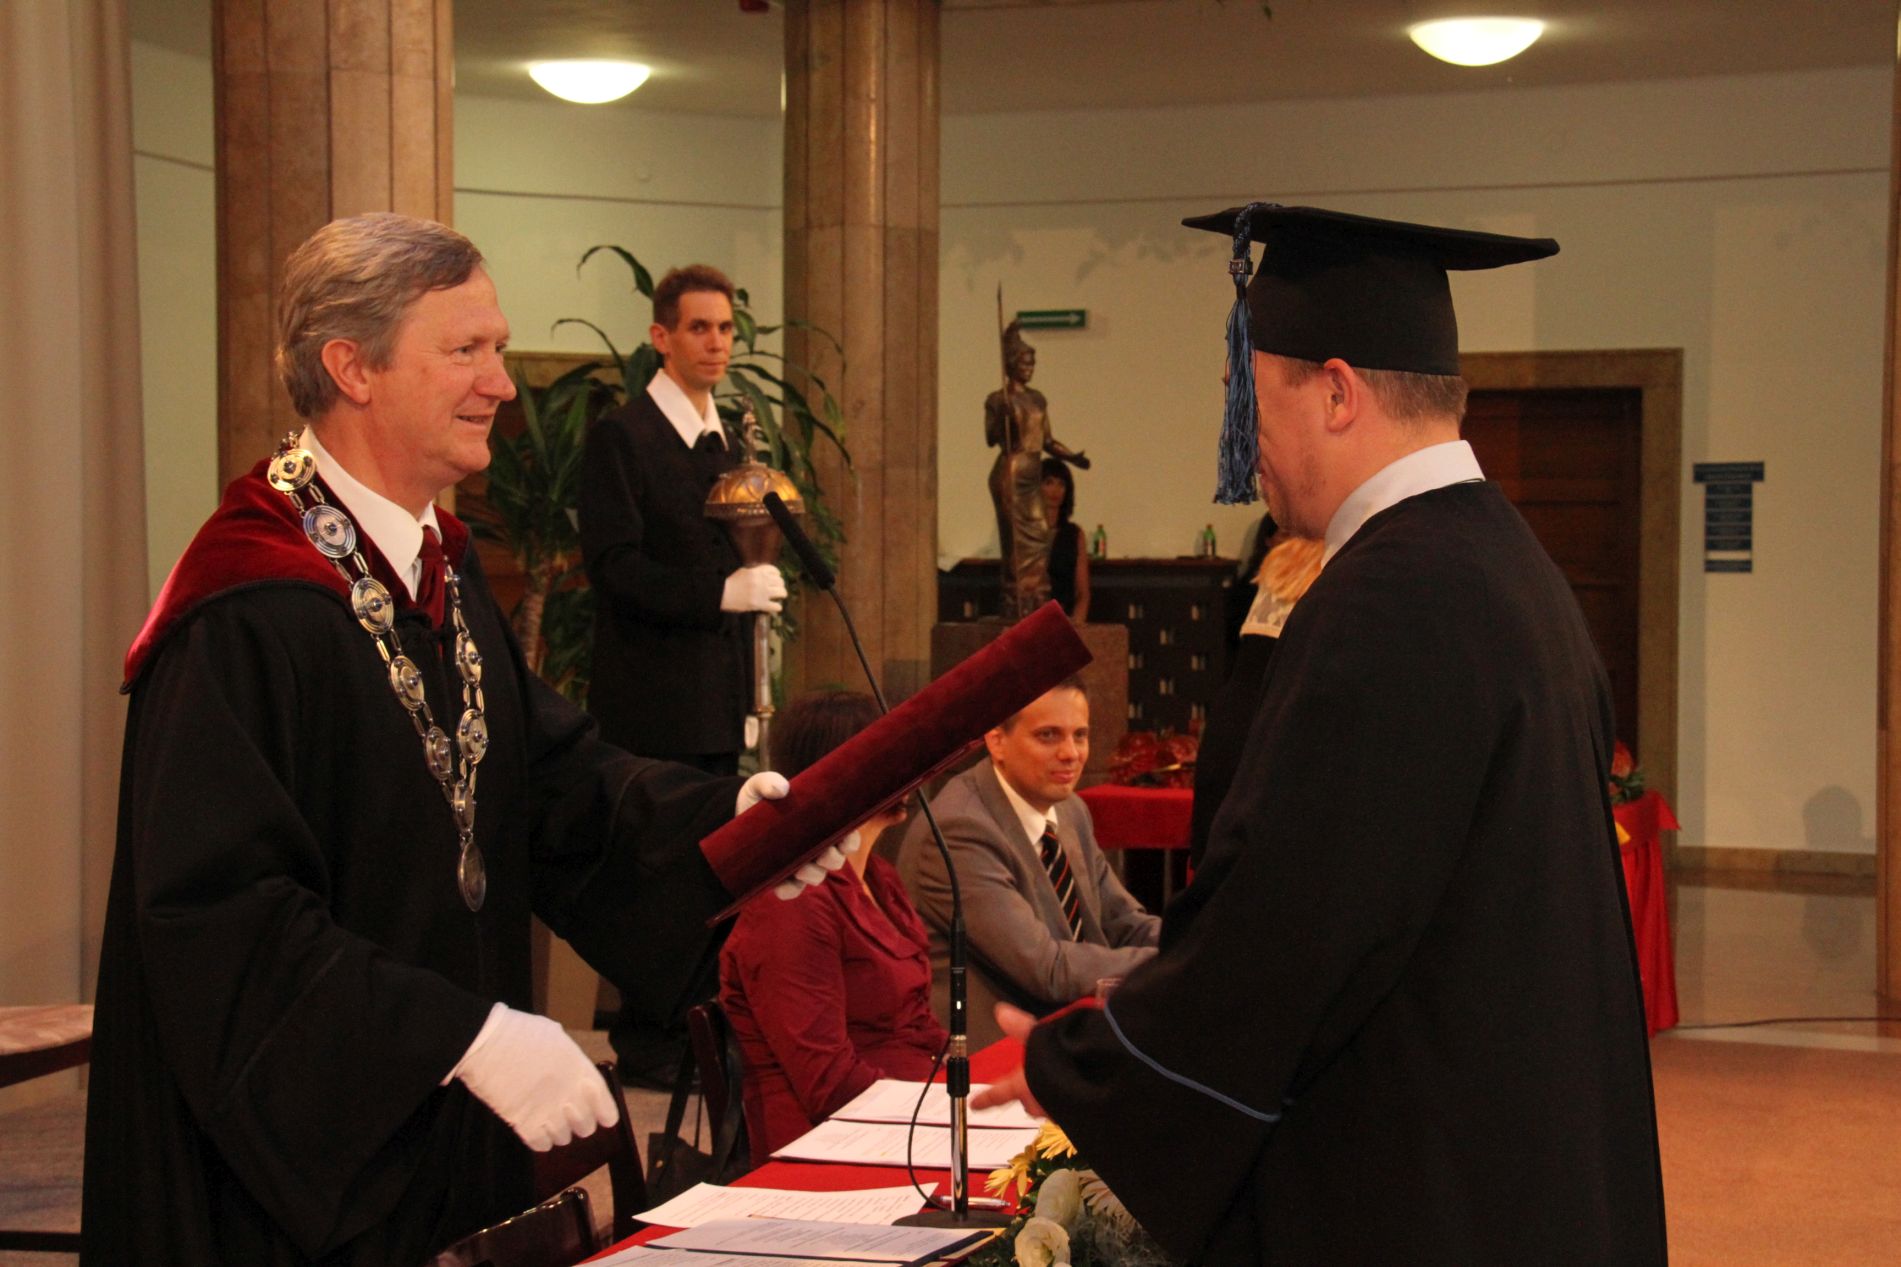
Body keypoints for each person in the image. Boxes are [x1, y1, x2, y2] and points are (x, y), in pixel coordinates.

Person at [82, 214, 845, 1266]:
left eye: (498, 348)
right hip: (294, 1189)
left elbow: (552, 779)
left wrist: (734, 825)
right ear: (352, 367)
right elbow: (219, 920)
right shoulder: (246, 606)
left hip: (446, 1142)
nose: (498, 385)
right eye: (466, 351)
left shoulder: (437, 563)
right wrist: (453, 1035)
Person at [977, 205, 1667, 1264]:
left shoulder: (1390, 596)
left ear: (1336, 393)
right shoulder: (1508, 565)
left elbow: (1291, 921)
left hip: (1425, 1177)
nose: (1241, 444)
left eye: (1245, 399)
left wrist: (1093, 1062)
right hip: (1515, 1144)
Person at [578, 263, 787, 1084]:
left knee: (712, 868)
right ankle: (651, 1041)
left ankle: (701, 1032)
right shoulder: (622, 436)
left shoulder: (724, 441)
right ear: (660, 337)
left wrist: (746, 679)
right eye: (699, 327)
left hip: (714, 694)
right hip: (650, 696)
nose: (716, 343)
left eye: (726, 329)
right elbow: (613, 566)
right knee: (657, 871)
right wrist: (720, 594)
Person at [719, 691, 948, 1162]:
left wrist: (965, 1096)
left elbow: (919, 1024)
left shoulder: (879, 877)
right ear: (840, 774)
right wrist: (934, 1117)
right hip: (832, 1146)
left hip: (906, 1118)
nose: (910, 770)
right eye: (891, 756)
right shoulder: (791, 900)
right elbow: (828, 1083)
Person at [898, 677, 1158, 1047]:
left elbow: (1124, 921)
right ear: (996, 741)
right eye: (1048, 736)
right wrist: (1172, 964)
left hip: (1066, 1024)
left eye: (1080, 735)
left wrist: (1196, 947)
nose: (1071, 753)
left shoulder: (1070, 810)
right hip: (986, 1049)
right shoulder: (960, 829)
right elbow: (1047, 969)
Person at [984, 320, 1089, 620]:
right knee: (1015, 544)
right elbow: (991, 438)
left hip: (1033, 474)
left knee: (1041, 534)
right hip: (1011, 472)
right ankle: (1017, 599)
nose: (1029, 369)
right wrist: (1003, 416)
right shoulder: (998, 400)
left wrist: (1073, 457)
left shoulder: (1038, 399)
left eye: (1032, 363)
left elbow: (1047, 441)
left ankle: (1035, 596)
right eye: (1024, 363)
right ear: (1010, 365)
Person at [1040, 456, 1090, 621]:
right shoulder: (1026, 532)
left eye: (1061, 484)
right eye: (1049, 482)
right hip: (1030, 617)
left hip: (1064, 617)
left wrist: (1075, 624)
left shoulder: (1074, 534)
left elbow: (1083, 592)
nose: (1055, 490)